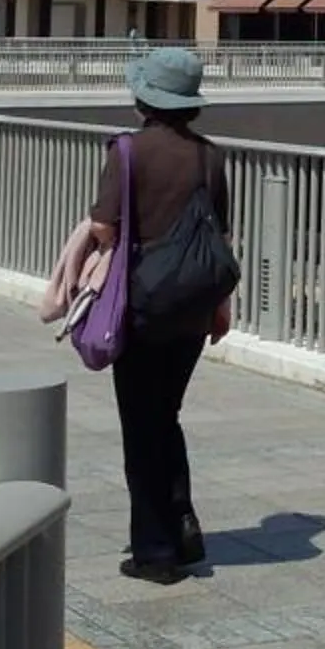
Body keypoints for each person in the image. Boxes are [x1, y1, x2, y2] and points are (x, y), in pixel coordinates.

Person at [84, 47, 231, 585]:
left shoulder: (127, 152)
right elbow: (220, 237)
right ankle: (183, 525)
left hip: (142, 304)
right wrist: (220, 307)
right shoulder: (210, 156)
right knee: (165, 415)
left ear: (144, 96)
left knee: (140, 426)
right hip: (192, 308)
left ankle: (156, 552)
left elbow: (104, 228)